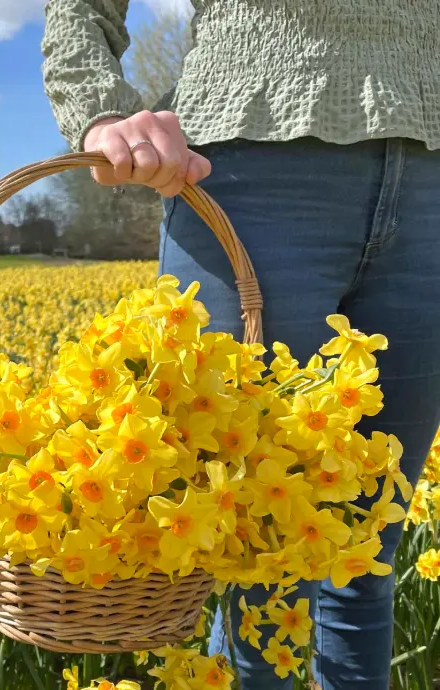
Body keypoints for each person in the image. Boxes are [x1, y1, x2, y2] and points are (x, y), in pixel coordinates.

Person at [40, 2, 440, 689]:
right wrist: (101, 111)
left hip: (432, 177)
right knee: (252, 558)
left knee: (367, 551)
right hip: (247, 173)